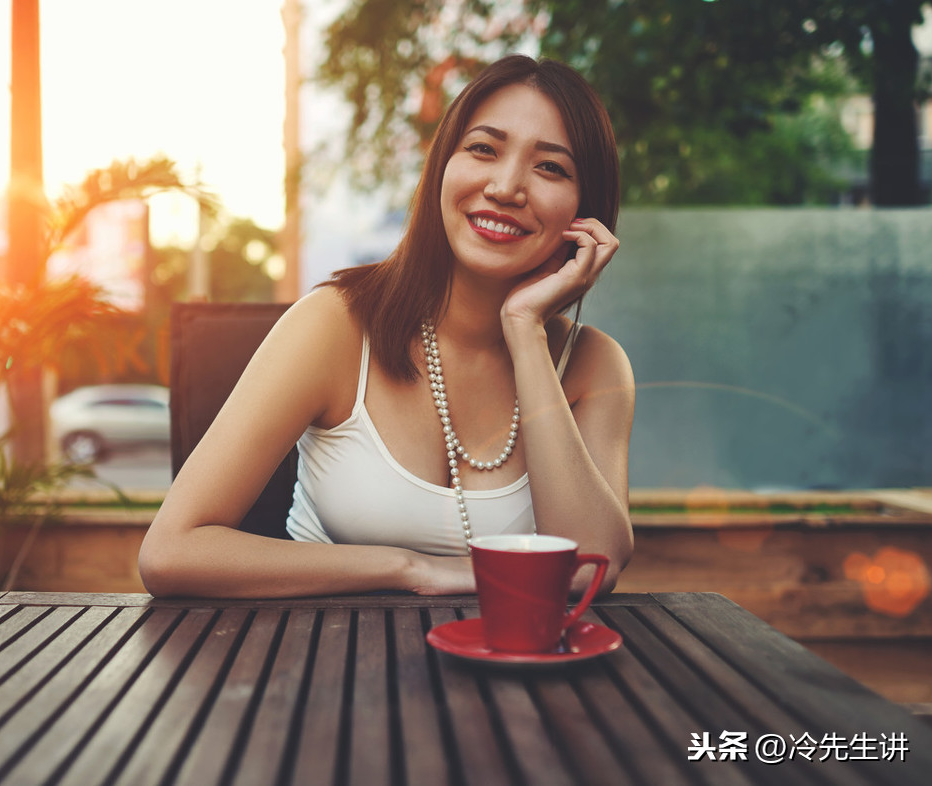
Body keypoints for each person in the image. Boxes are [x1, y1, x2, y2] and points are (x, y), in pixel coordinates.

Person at [140, 55, 634, 598]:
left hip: (512, 673)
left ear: (585, 213)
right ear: (442, 165)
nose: (506, 187)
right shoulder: (334, 325)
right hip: (322, 659)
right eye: (484, 149)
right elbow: (172, 551)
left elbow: (591, 568)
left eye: (550, 168)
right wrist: (409, 568)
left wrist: (525, 331)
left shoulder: (594, 365)